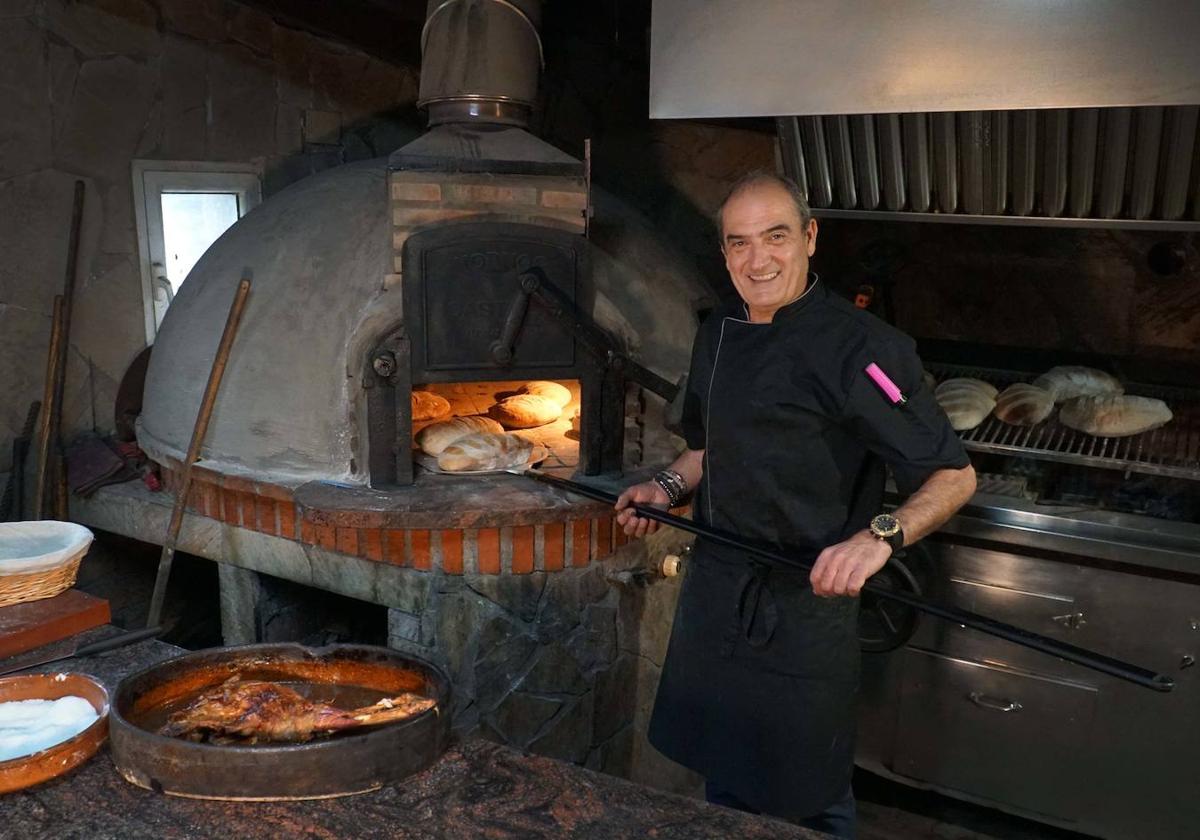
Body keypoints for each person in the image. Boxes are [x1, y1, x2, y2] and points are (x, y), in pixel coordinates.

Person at [615, 172, 976, 837]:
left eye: (776, 237)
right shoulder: (718, 330)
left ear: (810, 237)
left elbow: (954, 476)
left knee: (806, 796)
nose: (758, 261)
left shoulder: (863, 349)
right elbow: (708, 447)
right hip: (720, 593)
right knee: (724, 778)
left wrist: (877, 539)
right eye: (740, 243)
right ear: (724, 253)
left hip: (806, 608)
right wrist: (664, 488)